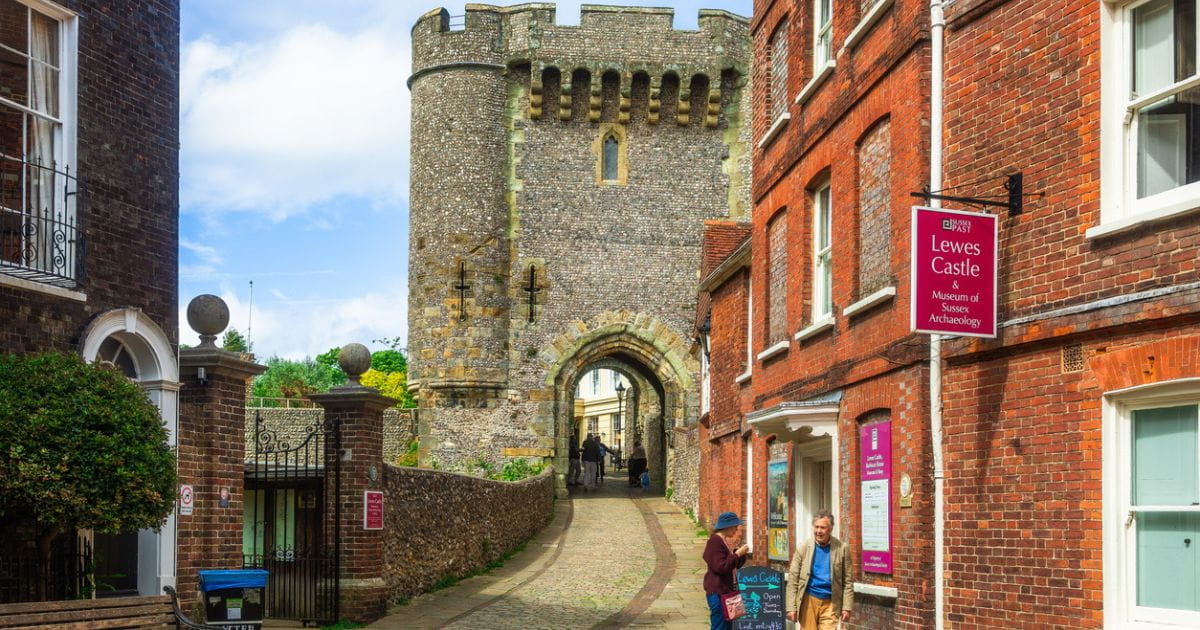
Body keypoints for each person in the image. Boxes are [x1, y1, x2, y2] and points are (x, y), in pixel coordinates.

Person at [786, 510, 853, 630]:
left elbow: (848, 581)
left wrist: (846, 607)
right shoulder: (803, 547)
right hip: (808, 600)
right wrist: (791, 607)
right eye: (816, 527)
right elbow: (793, 579)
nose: (818, 531)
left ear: (831, 529)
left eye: (823, 527)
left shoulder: (842, 549)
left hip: (831, 602)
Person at [703, 511, 749, 630]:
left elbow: (732, 566)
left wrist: (740, 555)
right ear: (727, 526)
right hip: (718, 593)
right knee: (720, 626)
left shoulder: (724, 541)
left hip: (727, 593)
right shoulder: (714, 542)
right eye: (735, 527)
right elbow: (721, 567)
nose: (736, 530)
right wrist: (737, 554)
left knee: (728, 627)